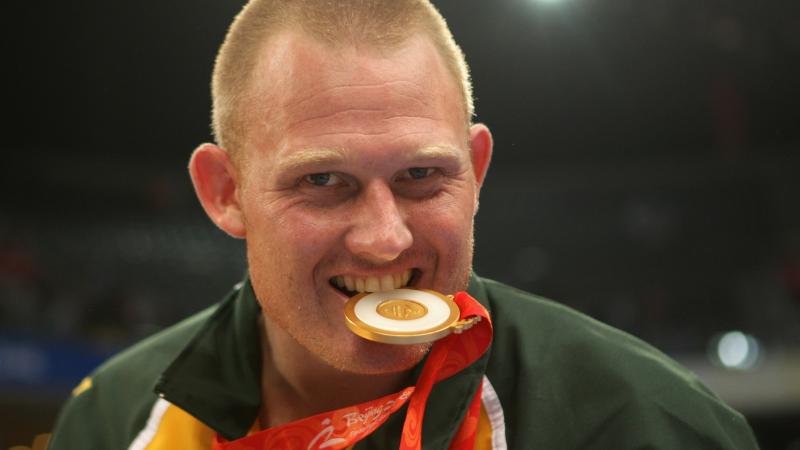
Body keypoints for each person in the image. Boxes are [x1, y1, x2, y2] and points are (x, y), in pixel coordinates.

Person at [49, 1, 760, 449]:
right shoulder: (114, 421)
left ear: (475, 172)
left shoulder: (648, 427)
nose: (386, 238)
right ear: (225, 191)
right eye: (323, 181)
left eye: (422, 176)